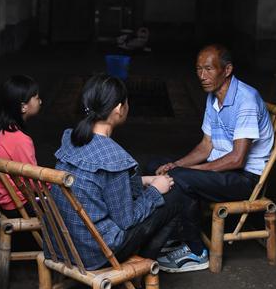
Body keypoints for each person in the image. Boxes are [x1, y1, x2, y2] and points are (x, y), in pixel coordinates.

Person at [52, 73, 206, 275]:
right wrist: (154, 190)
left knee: (153, 195)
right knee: (174, 197)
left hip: (62, 244)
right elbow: (127, 220)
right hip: (97, 252)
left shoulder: (71, 139)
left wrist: (144, 181)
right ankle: (135, 275)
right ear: (118, 108)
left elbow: (98, 184)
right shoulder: (114, 157)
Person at [155, 44, 274, 271]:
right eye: (199, 69)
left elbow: (238, 159)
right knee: (159, 167)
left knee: (181, 179)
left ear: (227, 70)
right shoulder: (213, 97)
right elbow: (206, 145)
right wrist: (176, 164)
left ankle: (197, 251)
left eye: (209, 69)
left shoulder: (245, 100)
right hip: (224, 171)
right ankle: (179, 235)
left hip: (245, 178)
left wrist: (192, 171)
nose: (202, 76)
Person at [0, 75, 42, 216]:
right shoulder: (20, 140)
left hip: (1, 200)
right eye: (36, 98)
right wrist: (50, 184)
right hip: (20, 205)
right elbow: (32, 181)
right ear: (23, 107)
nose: (40, 101)